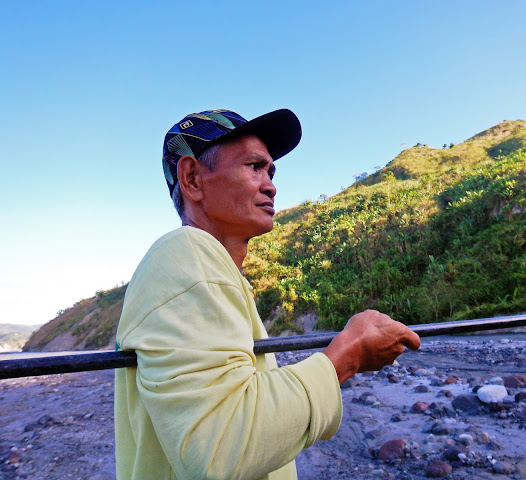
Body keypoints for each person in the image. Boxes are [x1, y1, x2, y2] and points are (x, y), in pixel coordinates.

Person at [114, 108, 421, 480]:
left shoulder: (215, 272)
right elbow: (219, 448)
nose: (271, 185)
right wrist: (348, 355)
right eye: (254, 167)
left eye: (271, 171)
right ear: (192, 178)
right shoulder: (187, 254)